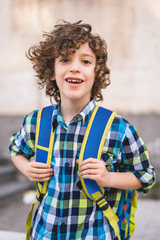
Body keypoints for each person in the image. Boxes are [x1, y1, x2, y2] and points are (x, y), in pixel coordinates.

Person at [9, 20, 155, 240]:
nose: (75, 67)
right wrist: (27, 168)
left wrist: (108, 178)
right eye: (65, 59)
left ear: (96, 72)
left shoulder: (119, 129)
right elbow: (15, 149)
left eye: (85, 61)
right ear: (51, 71)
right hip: (44, 232)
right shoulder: (35, 122)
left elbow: (145, 177)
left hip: (95, 233)